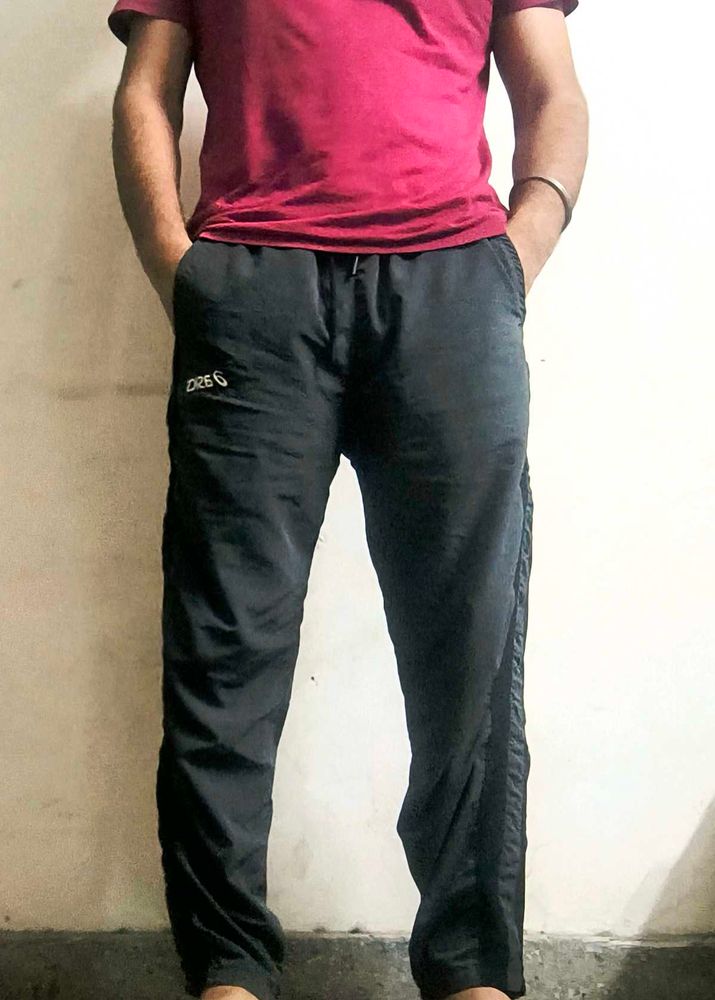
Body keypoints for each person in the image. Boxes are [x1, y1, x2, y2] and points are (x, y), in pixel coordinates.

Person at [107, 1, 588, 998]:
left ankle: (471, 971)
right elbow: (146, 90)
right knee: (223, 644)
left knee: (469, 649)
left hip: (450, 288)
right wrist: (177, 265)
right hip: (255, 291)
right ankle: (229, 973)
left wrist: (516, 252)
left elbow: (552, 90)